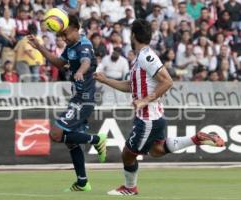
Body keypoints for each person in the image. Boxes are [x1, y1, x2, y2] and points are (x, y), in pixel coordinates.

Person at [94, 19, 225, 196]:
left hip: (148, 118)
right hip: (153, 116)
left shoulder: (146, 57)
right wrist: (106, 80)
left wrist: (144, 100)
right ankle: (196, 139)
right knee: (156, 150)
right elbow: (132, 86)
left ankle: (130, 188)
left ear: (133, 35)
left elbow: (168, 81)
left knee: (128, 154)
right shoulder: (140, 58)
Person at [28, 14, 107, 192]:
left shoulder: (84, 44)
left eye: (66, 34)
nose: (64, 38)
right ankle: (82, 182)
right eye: (61, 36)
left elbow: (86, 61)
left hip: (84, 99)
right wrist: (39, 47)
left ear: (76, 29)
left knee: (56, 134)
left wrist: (80, 70)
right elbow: (58, 62)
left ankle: (96, 139)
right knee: (71, 142)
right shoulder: (70, 47)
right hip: (77, 98)